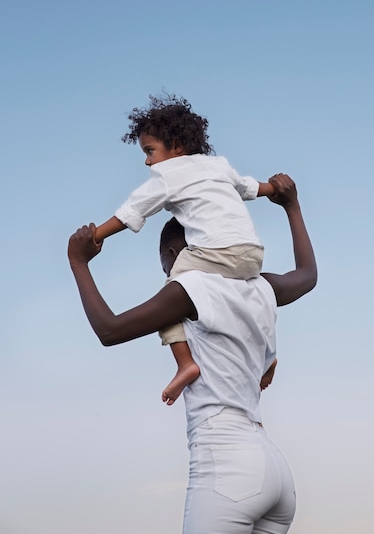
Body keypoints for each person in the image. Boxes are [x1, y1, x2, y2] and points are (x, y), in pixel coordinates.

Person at [68, 173, 317, 534]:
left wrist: (78, 262)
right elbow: (307, 275)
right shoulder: (260, 285)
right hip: (274, 465)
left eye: (163, 264)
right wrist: (292, 206)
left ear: (172, 254)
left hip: (227, 461)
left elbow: (110, 330)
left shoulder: (190, 286)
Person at [94, 93, 276, 404]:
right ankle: (269, 356)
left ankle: (185, 362)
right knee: (256, 293)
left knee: (173, 291)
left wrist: (95, 236)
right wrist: (277, 188)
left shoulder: (168, 174)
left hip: (215, 252)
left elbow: (133, 210)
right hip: (252, 253)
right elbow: (249, 187)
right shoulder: (218, 165)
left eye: (150, 151)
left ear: (176, 146)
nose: (147, 160)